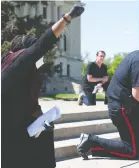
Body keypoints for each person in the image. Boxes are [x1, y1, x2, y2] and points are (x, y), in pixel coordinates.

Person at [1, 4, 84, 168]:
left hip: (16, 120)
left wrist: (40, 116)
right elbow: (45, 42)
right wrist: (68, 17)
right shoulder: (21, 61)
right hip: (8, 125)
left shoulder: (13, 65)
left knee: (45, 130)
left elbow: (26, 97)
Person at [77, 43, 139, 160]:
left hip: (130, 105)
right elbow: (138, 94)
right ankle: (90, 140)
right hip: (121, 108)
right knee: (131, 152)